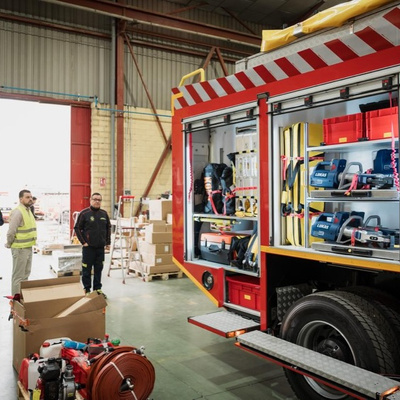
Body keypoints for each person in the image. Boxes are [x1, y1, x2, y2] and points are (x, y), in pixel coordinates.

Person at [74, 192, 111, 298]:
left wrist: (108, 243)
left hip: (100, 248)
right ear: (90, 200)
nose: (97, 201)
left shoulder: (104, 214)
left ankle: (97, 289)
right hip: (88, 248)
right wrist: (83, 242)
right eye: (95, 199)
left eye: (99, 200)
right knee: (86, 269)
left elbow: (108, 228)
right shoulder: (84, 213)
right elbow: (77, 228)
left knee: (98, 269)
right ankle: (87, 289)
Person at [5, 190, 37, 296]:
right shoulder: (18, 212)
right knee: (18, 276)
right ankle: (15, 301)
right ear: (20, 199)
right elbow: (11, 231)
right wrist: (9, 243)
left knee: (26, 275)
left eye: (31, 197)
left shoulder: (28, 211)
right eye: (27, 197)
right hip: (19, 249)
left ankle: (23, 298)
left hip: (28, 247)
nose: (30, 199)